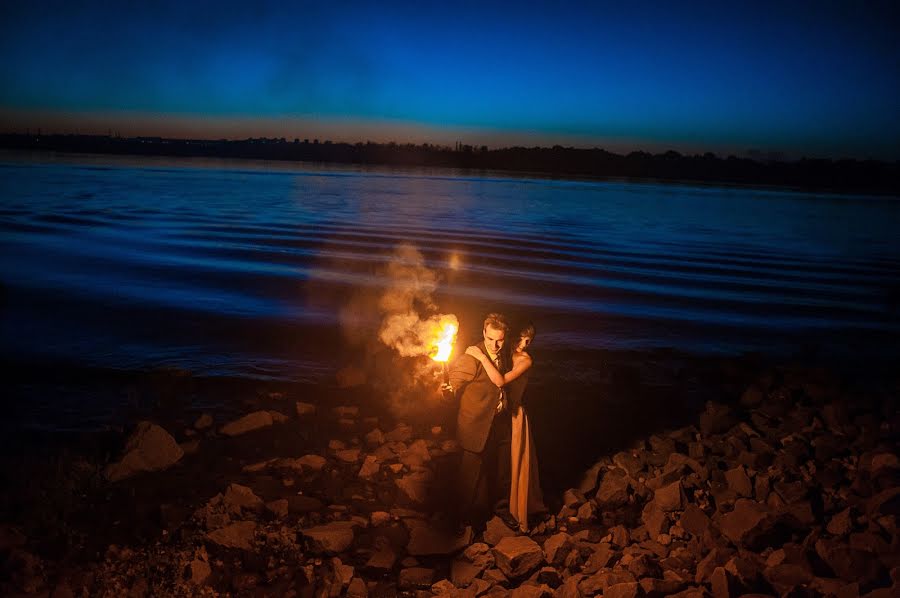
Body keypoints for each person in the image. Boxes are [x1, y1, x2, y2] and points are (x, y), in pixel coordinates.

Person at [466, 322, 546, 532]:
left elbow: (500, 381)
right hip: (497, 416)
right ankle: (481, 510)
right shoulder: (503, 353)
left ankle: (511, 509)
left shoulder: (525, 360)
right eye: (521, 339)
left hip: (515, 415)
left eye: (529, 340)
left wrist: (481, 356)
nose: (524, 344)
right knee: (492, 462)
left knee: (510, 465)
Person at [447, 313, 516, 528]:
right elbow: (455, 382)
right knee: (469, 478)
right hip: (475, 425)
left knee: (502, 471)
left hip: (500, 422)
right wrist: (448, 391)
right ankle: (459, 520)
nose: (495, 345)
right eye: (490, 339)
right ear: (483, 333)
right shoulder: (471, 357)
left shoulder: (504, 355)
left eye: (500, 340)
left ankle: (501, 510)